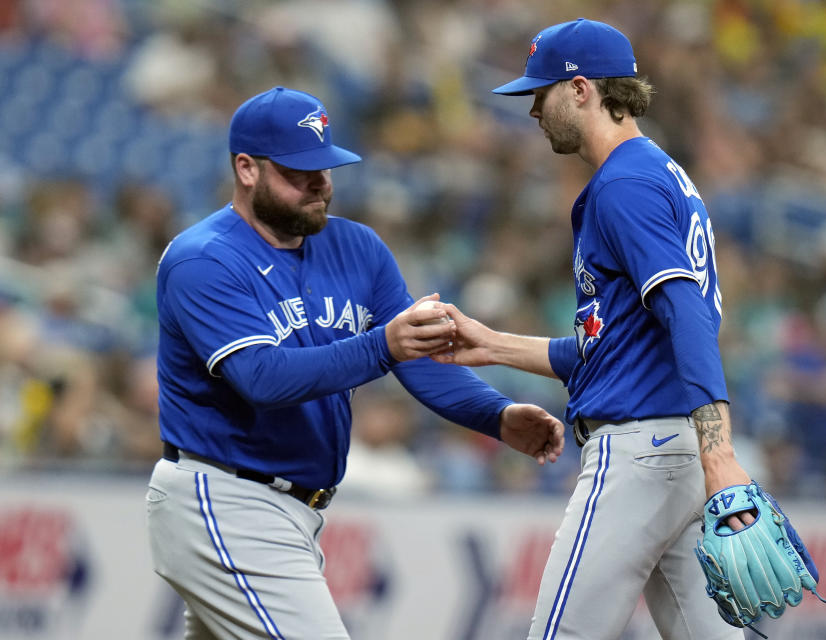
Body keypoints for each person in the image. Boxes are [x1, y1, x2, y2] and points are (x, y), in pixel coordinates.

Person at [144, 86, 564, 640]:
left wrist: (495, 415)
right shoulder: (204, 259)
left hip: (290, 509)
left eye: (326, 166)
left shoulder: (357, 247)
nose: (320, 182)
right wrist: (381, 346)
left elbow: (417, 358)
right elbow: (261, 379)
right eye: (300, 170)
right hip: (224, 499)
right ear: (246, 169)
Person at [433, 19, 754, 640]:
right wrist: (492, 345)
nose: (531, 109)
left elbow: (685, 311)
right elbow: (609, 347)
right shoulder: (657, 173)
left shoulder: (625, 185)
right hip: (675, 450)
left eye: (540, 91)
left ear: (581, 89)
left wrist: (722, 455)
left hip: (641, 452)